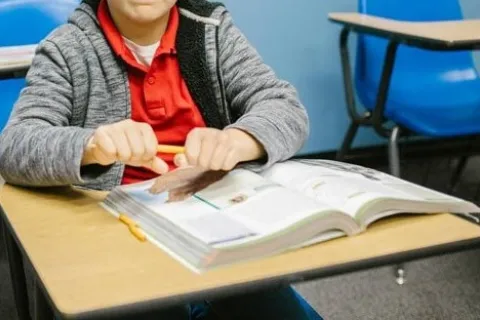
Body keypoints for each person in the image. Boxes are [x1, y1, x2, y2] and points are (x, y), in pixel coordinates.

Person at [0, 0, 318, 319]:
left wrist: (236, 140)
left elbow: (285, 108)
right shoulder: (67, 48)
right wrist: (92, 146)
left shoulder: (213, 32)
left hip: (219, 241)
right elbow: (14, 146)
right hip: (117, 250)